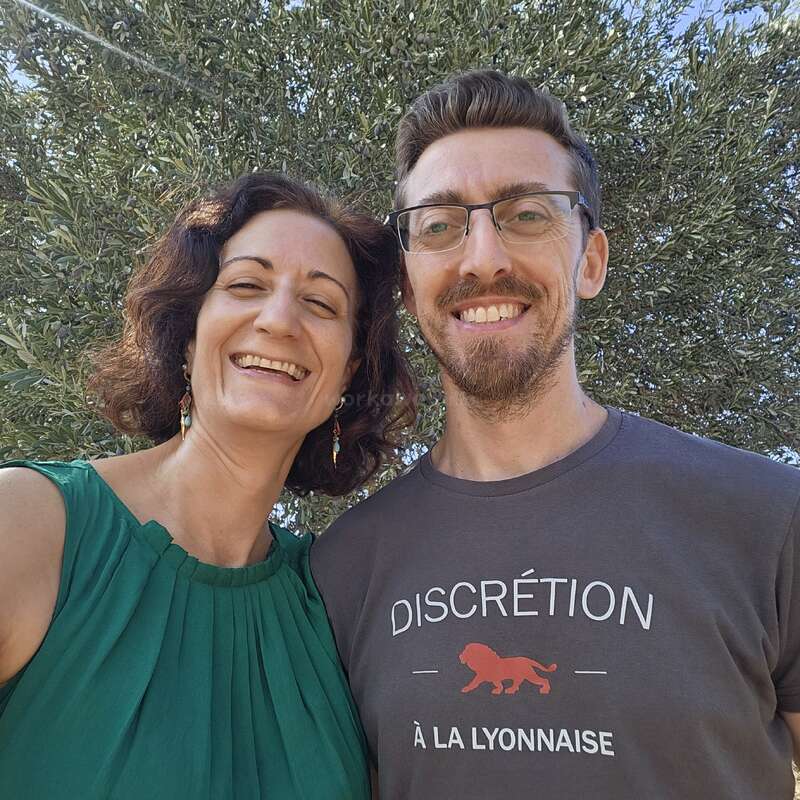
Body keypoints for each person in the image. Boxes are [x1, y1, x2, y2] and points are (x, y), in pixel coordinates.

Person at [311, 70, 800, 799]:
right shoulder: (342, 570)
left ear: (591, 260)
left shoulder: (771, 517)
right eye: (441, 225)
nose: (483, 258)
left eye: (527, 213)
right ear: (408, 286)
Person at [0, 171, 414, 799]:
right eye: (246, 285)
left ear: (348, 372)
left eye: (322, 303)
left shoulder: (336, 605)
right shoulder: (30, 524)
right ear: (189, 337)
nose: (279, 320)